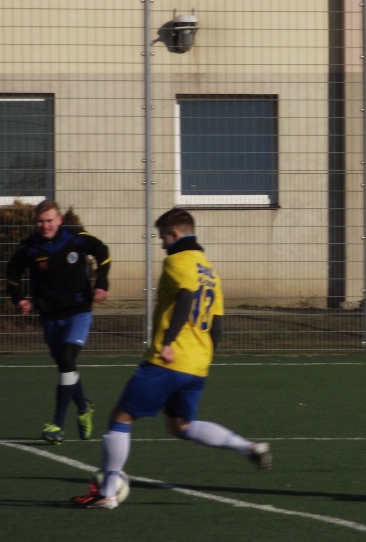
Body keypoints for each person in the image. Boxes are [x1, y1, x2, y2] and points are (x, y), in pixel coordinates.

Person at [71, 208, 271, 509]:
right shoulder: (209, 270)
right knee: (181, 426)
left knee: (120, 418)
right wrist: (206, 356)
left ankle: (107, 493)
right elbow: (217, 324)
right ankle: (247, 447)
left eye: (163, 237)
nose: (162, 243)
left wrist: (167, 342)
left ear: (175, 234)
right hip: (197, 363)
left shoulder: (178, 260)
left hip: (169, 358)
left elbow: (186, 297)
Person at [6, 200, 111, 445]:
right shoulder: (30, 247)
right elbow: (12, 272)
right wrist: (19, 298)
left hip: (78, 312)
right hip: (49, 316)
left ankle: (57, 426)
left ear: (60, 220)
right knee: (66, 366)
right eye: (40, 221)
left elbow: (102, 252)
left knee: (66, 358)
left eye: (49, 220)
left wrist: (102, 283)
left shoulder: (76, 239)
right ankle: (84, 407)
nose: (45, 225)